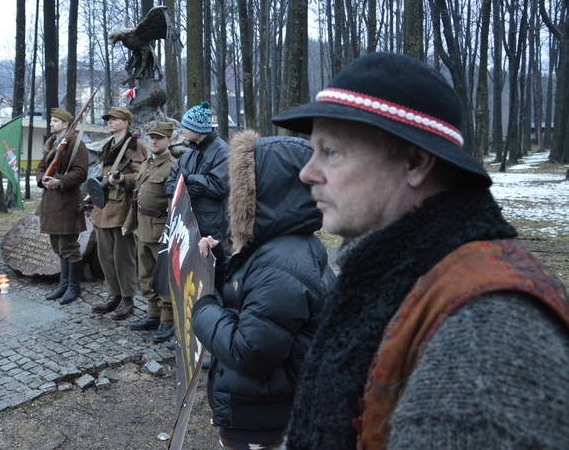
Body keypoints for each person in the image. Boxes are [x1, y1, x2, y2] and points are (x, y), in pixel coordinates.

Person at [272, 52, 569, 449]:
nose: (307, 172)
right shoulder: (389, 277)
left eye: (332, 152)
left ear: (414, 162)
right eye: (312, 150)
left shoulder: (483, 334)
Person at [190, 131, 336, 449]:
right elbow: (251, 296)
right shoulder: (278, 245)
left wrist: (202, 308)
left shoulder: (282, 262)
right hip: (262, 408)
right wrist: (218, 264)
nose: (234, 195)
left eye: (242, 186)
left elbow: (252, 351)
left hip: (264, 419)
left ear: (270, 191)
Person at [90, 106, 147, 320]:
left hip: (122, 207)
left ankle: (128, 299)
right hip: (103, 208)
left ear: (126, 122)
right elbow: (102, 173)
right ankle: (114, 295)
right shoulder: (108, 146)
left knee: (123, 258)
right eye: (108, 119)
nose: (110, 122)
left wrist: (123, 179)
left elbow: (142, 176)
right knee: (106, 257)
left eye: (114, 119)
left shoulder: (136, 146)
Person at [165, 100, 230, 288]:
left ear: (198, 129)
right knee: (192, 278)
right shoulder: (188, 154)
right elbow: (172, 180)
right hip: (187, 225)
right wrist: (180, 190)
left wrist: (192, 180)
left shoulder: (223, 152)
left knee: (213, 277)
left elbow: (220, 185)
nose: (182, 130)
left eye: (186, 126)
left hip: (211, 227)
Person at [122, 121, 176, 343]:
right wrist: (128, 222)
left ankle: (168, 320)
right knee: (145, 276)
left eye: (159, 137)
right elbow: (136, 199)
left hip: (160, 230)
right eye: (151, 137)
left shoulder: (173, 166)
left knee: (164, 278)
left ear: (169, 140)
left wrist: (171, 232)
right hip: (142, 228)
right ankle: (153, 315)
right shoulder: (146, 164)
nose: (153, 141)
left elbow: (175, 204)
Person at [38, 108, 89, 304]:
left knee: (69, 247)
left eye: (55, 121)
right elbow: (41, 167)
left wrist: (59, 182)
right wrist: (42, 179)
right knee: (57, 246)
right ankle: (63, 285)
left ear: (66, 124)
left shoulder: (77, 144)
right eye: (51, 121)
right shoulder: (51, 143)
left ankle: (73, 287)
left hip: (67, 201)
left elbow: (80, 172)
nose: (51, 124)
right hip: (50, 201)